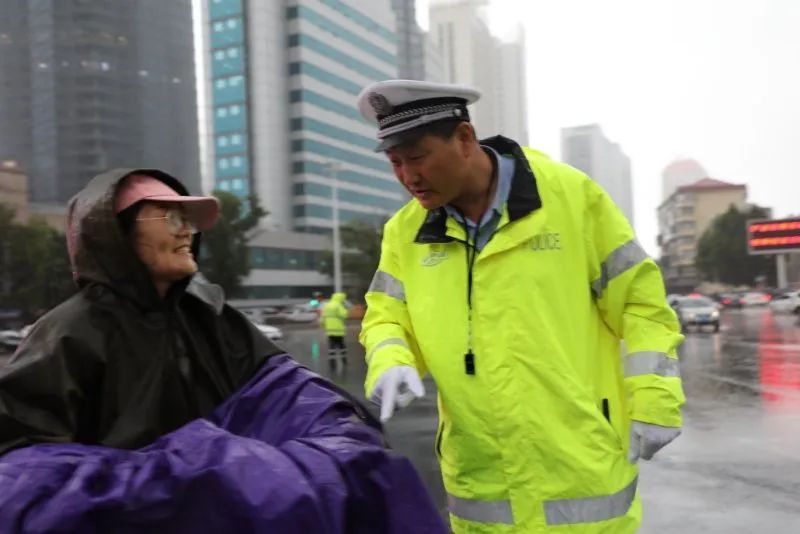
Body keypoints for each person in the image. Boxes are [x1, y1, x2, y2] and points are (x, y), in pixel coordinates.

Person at [0, 168, 447, 533]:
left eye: (189, 221)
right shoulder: (68, 333)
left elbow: (297, 400)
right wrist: (186, 476)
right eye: (169, 219)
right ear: (115, 234)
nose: (186, 233)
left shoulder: (210, 318)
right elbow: (19, 475)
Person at [356, 80, 686, 533]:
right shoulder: (404, 233)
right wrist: (391, 359)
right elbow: (386, 315)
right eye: (395, 163)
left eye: (417, 157)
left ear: (465, 139)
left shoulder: (571, 198)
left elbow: (642, 306)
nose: (408, 176)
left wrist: (655, 401)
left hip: (582, 470)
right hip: (479, 482)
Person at [321, 291, 349, 370]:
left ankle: (332, 361)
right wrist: (345, 308)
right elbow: (344, 315)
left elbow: (323, 317)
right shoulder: (338, 305)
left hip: (330, 330)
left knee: (331, 346)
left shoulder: (327, 305)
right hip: (338, 330)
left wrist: (323, 325)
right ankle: (344, 360)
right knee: (341, 346)